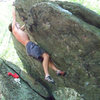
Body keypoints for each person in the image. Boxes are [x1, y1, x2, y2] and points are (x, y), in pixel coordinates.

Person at [8, 8, 66, 84]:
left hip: (29, 48)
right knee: (46, 56)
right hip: (30, 46)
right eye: (16, 24)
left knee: (46, 60)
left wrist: (28, 19)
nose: (18, 23)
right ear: (13, 26)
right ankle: (47, 75)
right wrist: (13, 6)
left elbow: (25, 25)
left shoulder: (19, 31)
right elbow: (14, 16)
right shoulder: (15, 30)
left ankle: (57, 71)